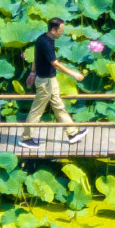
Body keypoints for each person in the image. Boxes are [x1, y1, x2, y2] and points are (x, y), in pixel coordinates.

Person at [20, 16, 85, 147]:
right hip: (45, 81)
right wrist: (74, 74)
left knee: (59, 106)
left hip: (50, 79)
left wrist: (32, 72)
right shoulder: (45, 43)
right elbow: (55, 63)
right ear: (54, 30)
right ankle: (25, 138)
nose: (62, 32)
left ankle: (72, 133)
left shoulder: (44, 39)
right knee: (37, 110)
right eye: (61, 30)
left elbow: (36, 59)